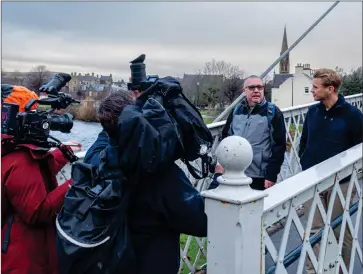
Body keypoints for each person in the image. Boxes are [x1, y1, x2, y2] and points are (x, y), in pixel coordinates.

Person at [84, 92, 207, 274]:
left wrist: (115, 119)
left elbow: (107, 136)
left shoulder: (100, 162)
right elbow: (202, 221)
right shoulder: (161, 175)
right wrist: (219, 181)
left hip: (111, 263)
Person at [1, 84, 82, 274]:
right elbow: (37, 212)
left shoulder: (12, 150)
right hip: (25, 260)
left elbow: (36, 173)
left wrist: (63, 153)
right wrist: (74, 182)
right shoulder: (19, 160)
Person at [299, 68, 363, 273]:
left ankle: (343, 269)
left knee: (339, 230)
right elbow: (304, 142)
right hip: (313, 180)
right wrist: (305, 163)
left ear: (330, 89)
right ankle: (313, 271)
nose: (312, 91)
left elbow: (359, 148)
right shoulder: (312, 112)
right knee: (313, 230)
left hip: (341, 182)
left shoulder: (352, 115)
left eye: (316, 88)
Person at [210, 75, 286, 190]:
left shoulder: (273, 112)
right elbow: (226, 140)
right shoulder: (236, 111)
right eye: (252, 87)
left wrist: (271, 175)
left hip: (258, 175)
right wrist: (220, 163)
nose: (256, 90)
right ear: (244, 91)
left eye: (260, 87)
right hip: (233, 172)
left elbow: (279, 147)